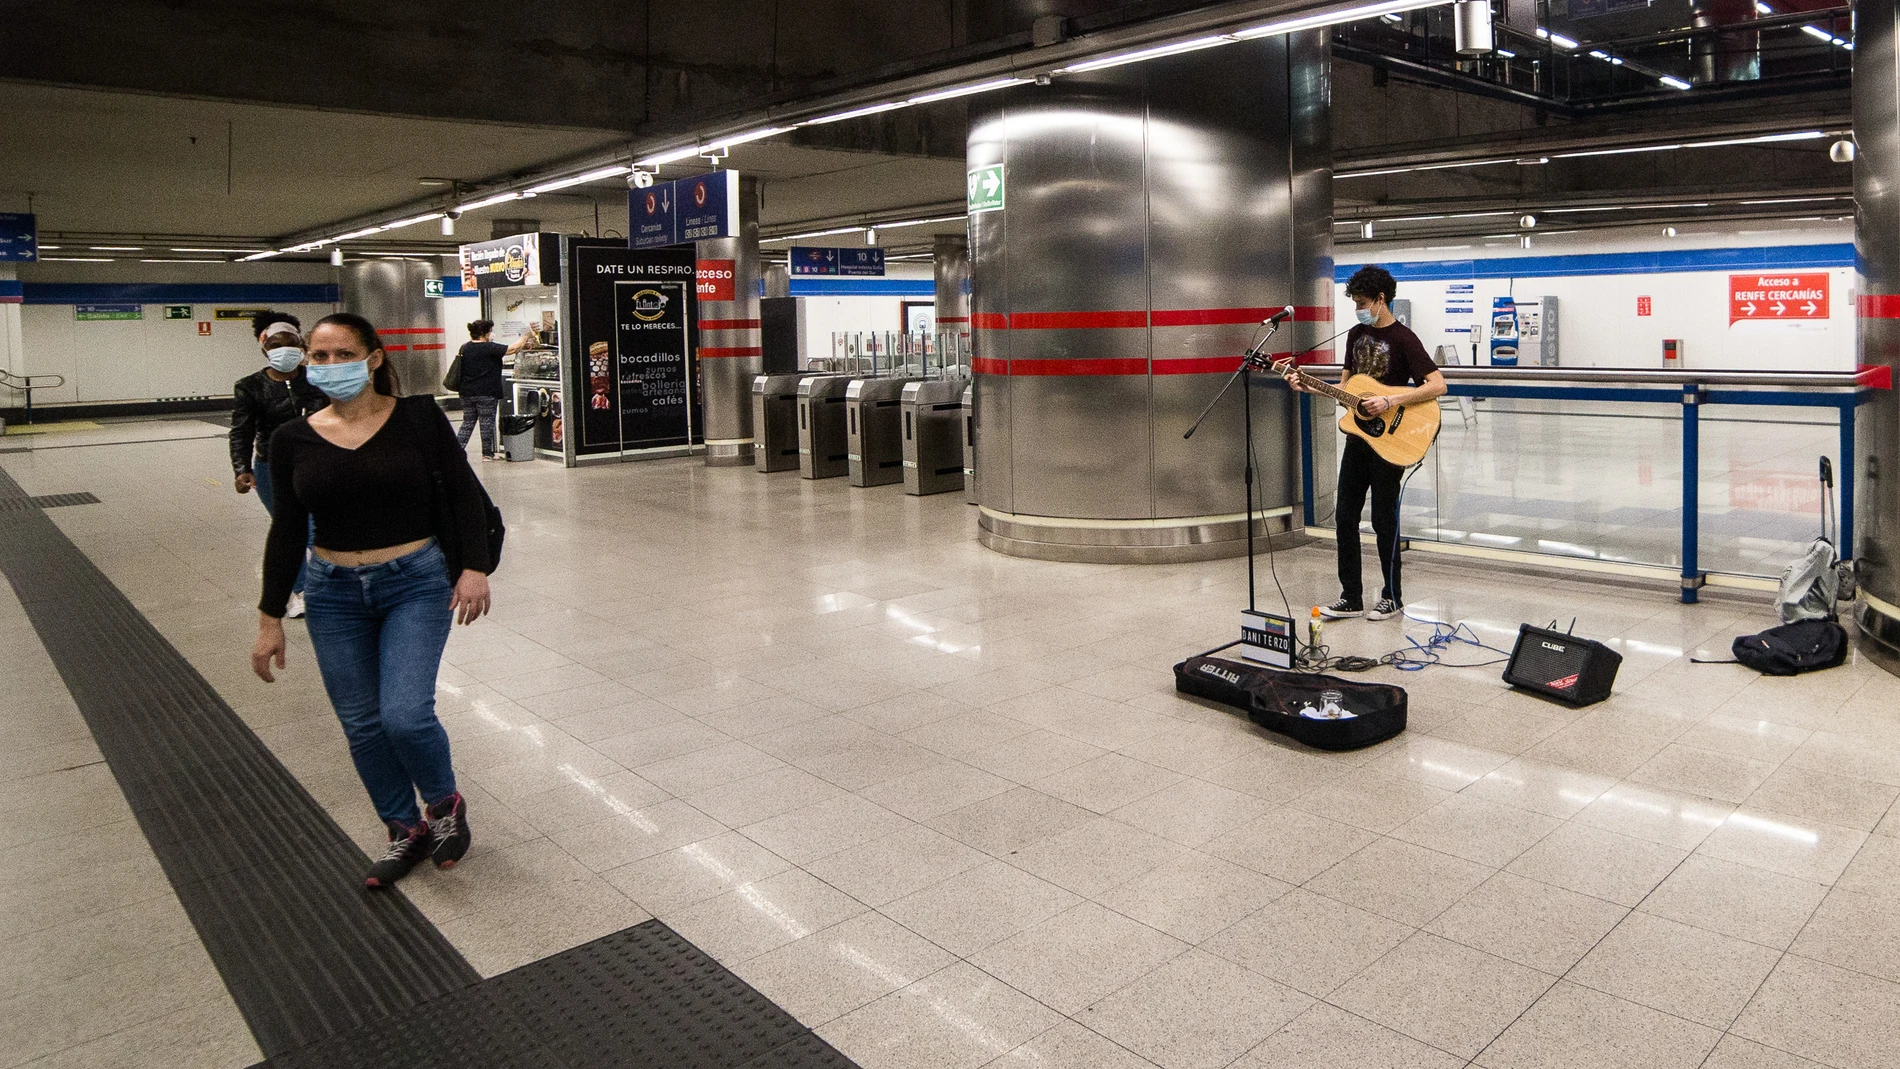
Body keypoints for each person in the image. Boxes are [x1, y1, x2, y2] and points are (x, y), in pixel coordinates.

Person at [250, 312, 494, 889]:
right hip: (332, 592)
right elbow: (286, 529)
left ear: (374, 358)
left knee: (405, 715)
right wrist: (269, 617)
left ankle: (443, 806)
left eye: (342, 355)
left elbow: (463, 494)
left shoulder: (416, 418)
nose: (329, 366)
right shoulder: (292, 439)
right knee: (361, 724)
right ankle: (402, 829)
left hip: (415, 579)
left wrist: (475, 567)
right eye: (319, 357)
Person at [1286, 265, 1446, 621]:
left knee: (1383, 519)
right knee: (1345, 516)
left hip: (1391, 441)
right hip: (1360, 439)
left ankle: (1392, 596)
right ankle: (1351, 596)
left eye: (1361, 302)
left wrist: (1390, 401)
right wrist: (1308, 385)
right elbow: (1345, 392)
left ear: (1380, 299)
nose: (1358, 308)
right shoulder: (1356, 334)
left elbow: (1437, 385)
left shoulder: (1404, 338)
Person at [230, 311, 326, 618]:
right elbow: (242, 430)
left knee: (316, 530)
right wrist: (241, 469)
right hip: (272, 469)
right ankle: (298, 592)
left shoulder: (316, 381)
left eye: (290, 342)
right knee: (291, 528)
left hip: (315, 464)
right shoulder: (250, 386)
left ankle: (318, 587)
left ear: (301, 346)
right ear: (264, 349)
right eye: (276, 343)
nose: (283, 348)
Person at [452, 319, 522, 460]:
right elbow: (512, 349)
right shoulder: (488, 347)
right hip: (486, 392)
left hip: (467, 392)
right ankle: (487, 454)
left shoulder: (465, 347)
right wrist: (526, 336)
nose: (491, 334)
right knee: (486, 423)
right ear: (484, 333)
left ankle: (456, 451)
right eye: (490, 331)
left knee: (467, 423)